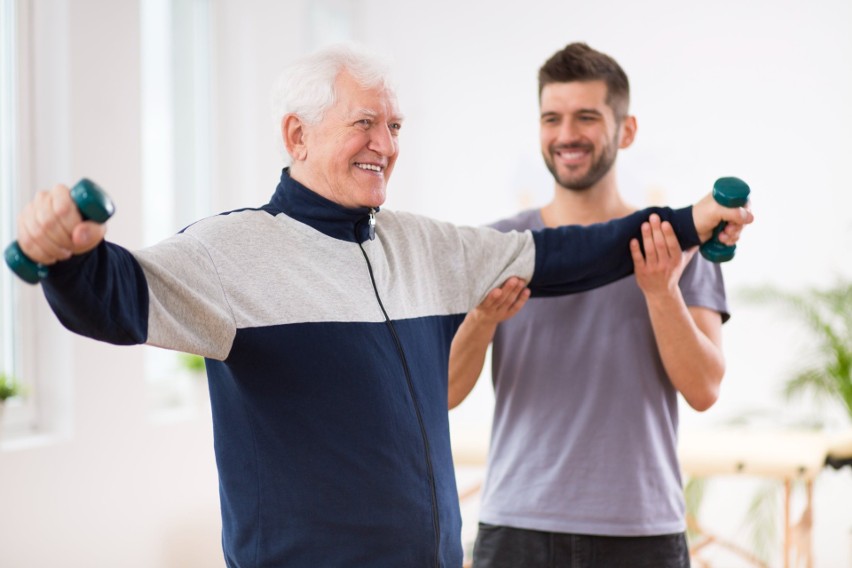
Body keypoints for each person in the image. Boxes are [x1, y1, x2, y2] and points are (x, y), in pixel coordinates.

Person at [15, 43, 750, 568]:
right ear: (296, 134)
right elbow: (111, 299)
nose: (385, 145)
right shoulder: (230, 253)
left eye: (394, 127)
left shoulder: (423, 246)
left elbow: (564, 253)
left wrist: (690, 220)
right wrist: (63, 255)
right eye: (363, 123)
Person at [448, 42, 734, 567]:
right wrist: (483, 318)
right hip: (517, 526)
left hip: (641, 529)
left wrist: (661, 292)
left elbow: (705, 389)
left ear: (626, 130)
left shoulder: (672, 245)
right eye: (551, 118)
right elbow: (442, 391)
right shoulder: (500, 245)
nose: (566, 135)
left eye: (586, 117)